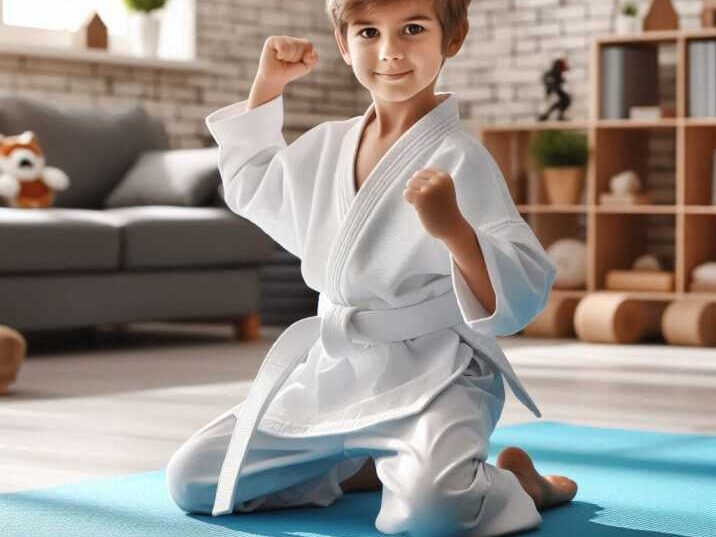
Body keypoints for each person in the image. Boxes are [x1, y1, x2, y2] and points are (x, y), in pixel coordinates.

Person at [166, 1, 577, 535]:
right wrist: (268, 86)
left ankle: (521, 485)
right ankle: (371, 465)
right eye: (367, 31)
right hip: (335, 368)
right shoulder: (327, 146)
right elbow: (253, 183)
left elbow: (522, 288)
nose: (389, 51)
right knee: (196, 480)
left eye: (412, 28)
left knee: (436, 514)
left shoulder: (458, 157)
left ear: (453, 37)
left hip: (435, 372)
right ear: (344, 44)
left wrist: (453, 227)